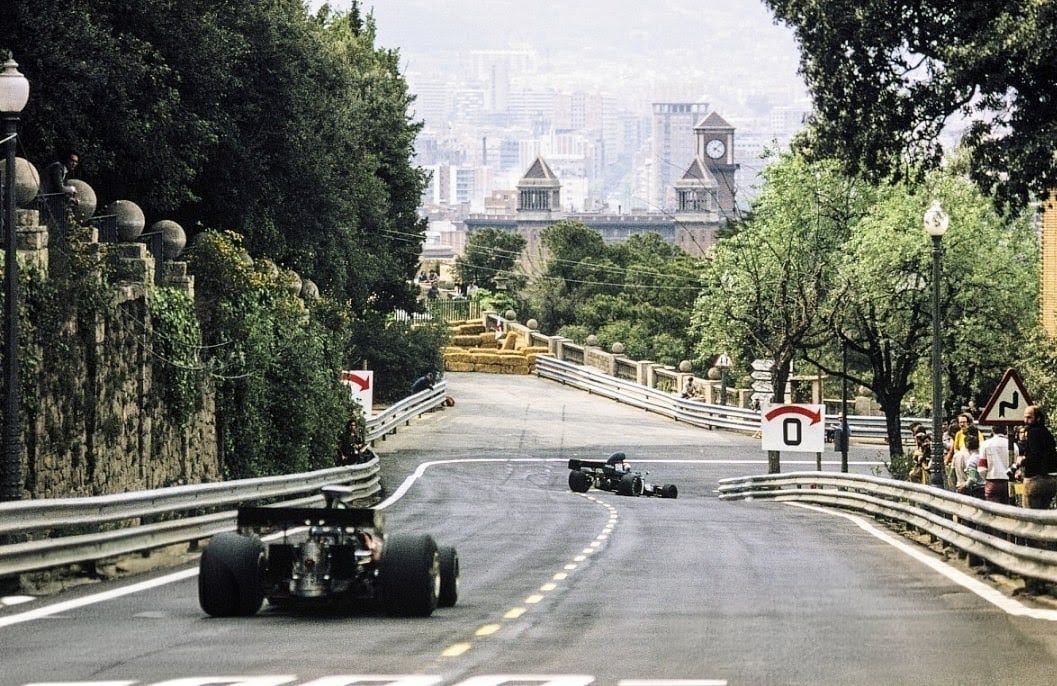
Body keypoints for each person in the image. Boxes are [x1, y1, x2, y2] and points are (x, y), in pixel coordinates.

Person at [1015, 405, 1057, 509]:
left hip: (1035, 480)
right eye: (1025, 417)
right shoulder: (1047, 433)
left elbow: (1035, 456)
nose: (1026, 420)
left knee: (1030, 517)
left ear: (1037, 418)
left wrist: (1022, 461)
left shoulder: (1033, 432)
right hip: (1051, 481)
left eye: (1029, 417)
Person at [39, 149, 80, 227]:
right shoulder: (57, 167)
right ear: (66, 160)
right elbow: (59, 188)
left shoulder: (64, 171)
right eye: (72, 161)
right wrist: (71, 189)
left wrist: (71, 200)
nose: (74, 164)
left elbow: (59, 191)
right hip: (42, 199)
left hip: (48, 200)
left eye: (76, 162)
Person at [978, 425, 1015, 505]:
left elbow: (982, 468)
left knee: (993, 511)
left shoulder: (985, 444)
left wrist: (986, 478)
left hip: (992, 481)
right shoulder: (1013, 445)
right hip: (1009, 482)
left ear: (992, 430)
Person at [953, 433, 985, 498]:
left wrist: (965, 485)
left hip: (978, 490)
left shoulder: (972, 460)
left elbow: (972, 478)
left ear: (967, 446)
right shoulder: (982, 457)